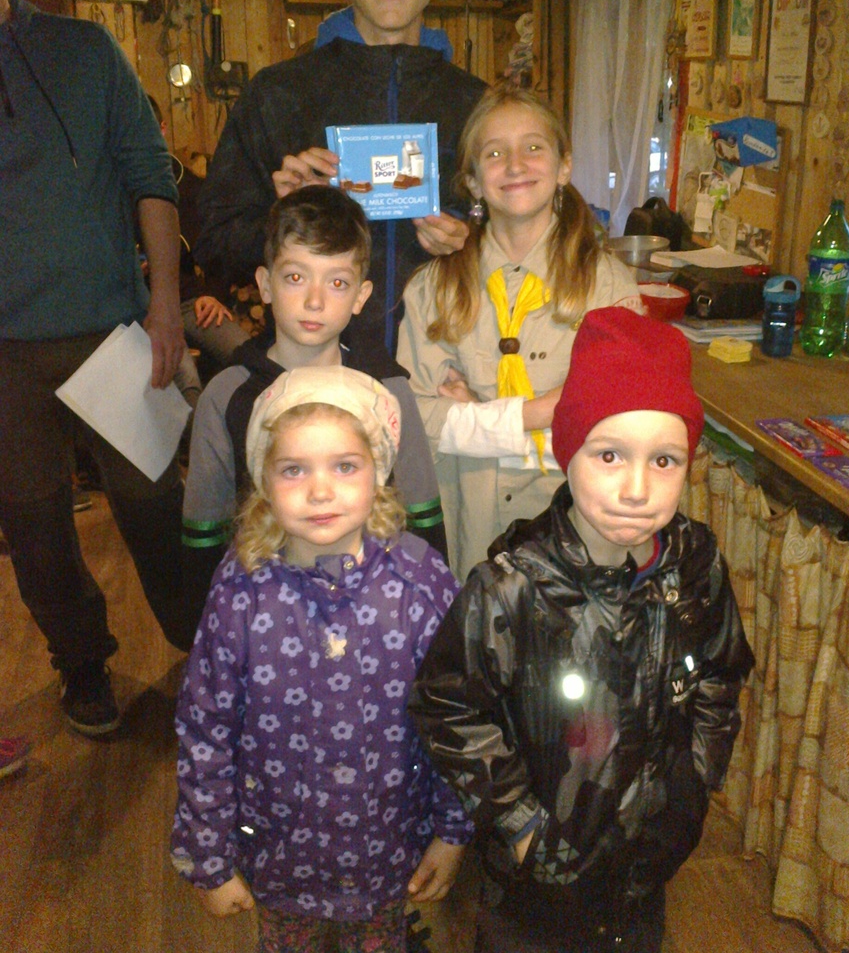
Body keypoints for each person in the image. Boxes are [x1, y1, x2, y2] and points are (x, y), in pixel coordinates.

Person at [409, 307, 755, 953]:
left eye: (665, 460)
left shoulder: (696, 565)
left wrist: (694, 780)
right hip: (533, 889)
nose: (636, 488)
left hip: (647, 868)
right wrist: (521, 824)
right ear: (568, 454)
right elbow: (448, 704)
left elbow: (721, 671)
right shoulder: (512, 588)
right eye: (609, 455)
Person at [171, 365, 473, 950]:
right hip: (280, 856)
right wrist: (208, 856)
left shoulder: (420, 582)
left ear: (378, 471)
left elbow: (457, 715)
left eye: (345, 466)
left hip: (390, 849)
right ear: (263, 480)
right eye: (294, 469)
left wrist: (452, 830)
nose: (320, 490)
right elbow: (205, 727)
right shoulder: (240, 591)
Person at [0, 0, 191, 738]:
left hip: (112, 331)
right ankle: (81, 663)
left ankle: (206, 651)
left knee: (157, 511)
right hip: (4, 361)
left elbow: (150, 174)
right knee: (36, 533)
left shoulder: (85, 50)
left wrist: (166, 304)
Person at [194, 0, 486, 353]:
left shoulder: (478, 106)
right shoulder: (276, 95)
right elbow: (215, 245)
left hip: (446, 371)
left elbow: (529, 243)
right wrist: (282, 216)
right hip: (315, 372)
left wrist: (471, 240)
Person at [397, 84, 642, 580]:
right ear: (472, 180)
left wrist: (474, 419)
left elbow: (618, 428)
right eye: (494, 153)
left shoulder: (610, 288)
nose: (514, 165)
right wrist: (541, 413)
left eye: (533, 147)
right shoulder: (433, 288)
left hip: (579, 544)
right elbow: (411, 419)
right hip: (470, 538)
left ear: (564, 167)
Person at [181, 184, 447, 631]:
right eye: (295, 277)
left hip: (379, 621)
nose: (315, 300)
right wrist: (212, 634)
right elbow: (204, 538)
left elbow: (422, 521)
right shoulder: (226, 396)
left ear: (361, 296)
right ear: (265, 284)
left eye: (337, 282)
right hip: (266, 624)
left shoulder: (388, 389)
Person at [146, 95, 249, 410]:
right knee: (185, 375)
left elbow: (217, 250)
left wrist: (213, 294)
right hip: (141, 306)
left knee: (245, 351)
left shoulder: (192, 187)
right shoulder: (115, 190)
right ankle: (196, 437)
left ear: (163, 129)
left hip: (190, 301)